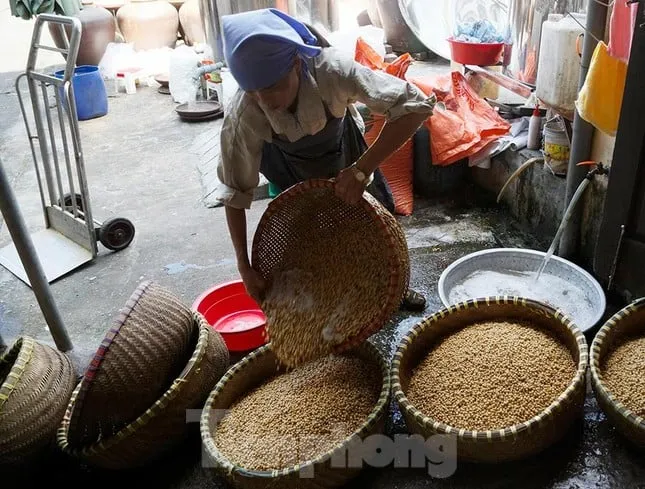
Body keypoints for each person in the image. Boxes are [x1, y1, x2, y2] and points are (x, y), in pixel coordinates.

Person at [215, 8, 436, 310]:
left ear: (295, 63)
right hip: (288, 167)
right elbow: (235, 192)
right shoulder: (244, 113)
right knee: (314, 240)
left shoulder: (331, 71)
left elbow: (414, 107)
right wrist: (244, 266)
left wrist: (361, 171)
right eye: (254, 93)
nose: (265, 101)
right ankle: (337, 297)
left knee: (377, 228)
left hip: (344, 152)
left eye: (273, 87)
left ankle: (394, 289)